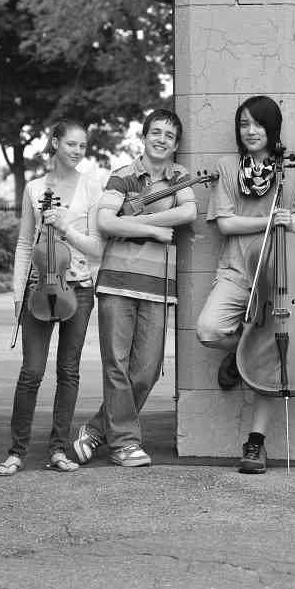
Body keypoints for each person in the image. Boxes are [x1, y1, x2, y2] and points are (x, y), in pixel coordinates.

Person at [195, 95, 295, 475]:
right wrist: (270, 221)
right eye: (244, 124)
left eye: (258, 124)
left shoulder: (292, 171)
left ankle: (256, 444)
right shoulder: (228, 167)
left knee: (273, 353)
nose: (250, 131)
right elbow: (226, 223)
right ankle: (242, 350)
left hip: (280, 279)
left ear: (272, 128)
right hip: (237, 271)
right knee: (209, 329)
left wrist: (294, 221)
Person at [72, 108, 197, 468]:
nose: (161, 139)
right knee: (117, 364)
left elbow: (187, 213)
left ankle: (95, 430)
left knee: (147, 369)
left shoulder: (181, 176)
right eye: (155, 132)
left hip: (158, 285)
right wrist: (154, 230)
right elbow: (106, 221)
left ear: (176, 145)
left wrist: (138, 220)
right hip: (118, 281)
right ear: (143, 137)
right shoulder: (124, 175)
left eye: (169, 136)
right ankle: (125, 444)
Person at [0, 119, 103, 475]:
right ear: (55, 143)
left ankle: (58, 449)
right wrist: (17, 292)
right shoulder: (34, 188)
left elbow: (96, 248)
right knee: (32, 371)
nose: (77, 151)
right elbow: (25, 243)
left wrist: (66, 229)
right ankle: (16, 451)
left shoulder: (92, 188)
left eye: (82, 146)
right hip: (39, 287)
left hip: (79, 290)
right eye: (71, 144)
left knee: (68, 372)